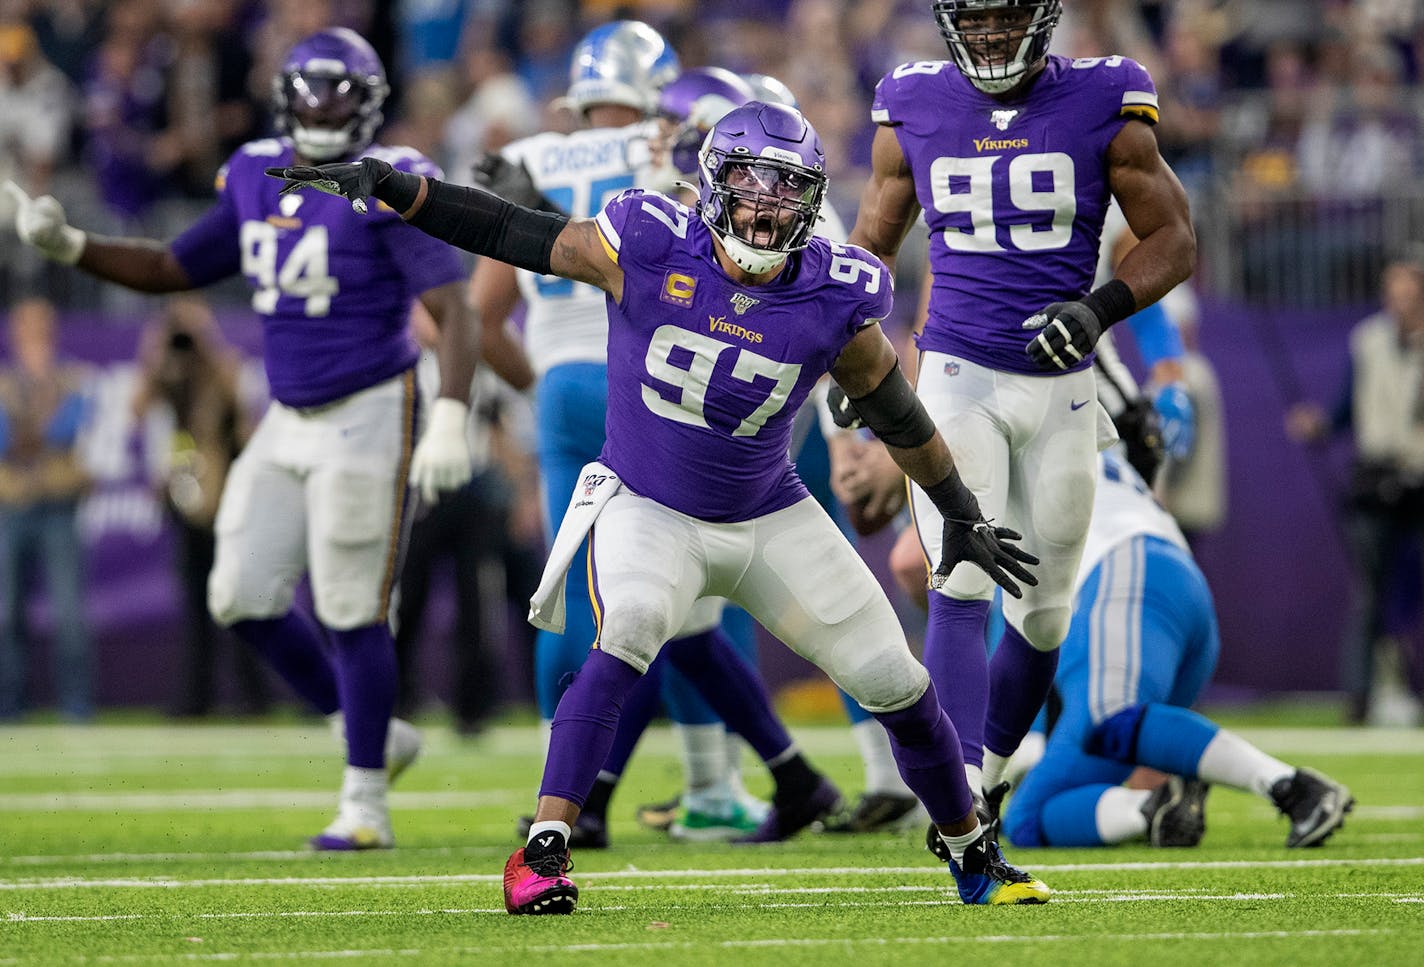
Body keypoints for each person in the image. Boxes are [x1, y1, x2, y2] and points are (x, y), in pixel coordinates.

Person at [268, 100, 1048, 912]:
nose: (766, 210)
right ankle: (542, 850)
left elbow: (894, 408)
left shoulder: (833, 290)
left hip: (769, 512)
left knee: (896, 679)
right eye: (751, 190)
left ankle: (972, 852)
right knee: (629, 627)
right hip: (650, 503)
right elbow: (511, 231)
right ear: (712, 189)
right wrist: (398, 188)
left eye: (787, 195)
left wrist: (956, 505)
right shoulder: (646, 241)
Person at [4, 28, 476, 849]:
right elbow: (172, 268)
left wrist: (453, 412)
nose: (323, 108)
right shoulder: (255, 168)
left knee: (350, 605)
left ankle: (365, 801)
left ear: (368, 104)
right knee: (239, 593)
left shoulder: (389, 182)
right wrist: (70, 245)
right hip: (289, 414)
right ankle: (364, 726)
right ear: (284, 95)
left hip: (371, 405)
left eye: (339, 94)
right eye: (311, 91)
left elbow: (456, 311)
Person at [846, 0, 1196, 805]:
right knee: (959, 580)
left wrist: (1100, 307)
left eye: (1007, 19)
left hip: (1064, 391)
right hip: (957, 375)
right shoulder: (913, 102)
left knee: (1044, 617)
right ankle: (958, 797)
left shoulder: (1106, 97)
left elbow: (1175, 238)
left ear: (1042, 19)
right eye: (975, 20)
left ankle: (988, 781)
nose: (991, 36)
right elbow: (868, 250)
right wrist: (846, 358)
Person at [472, 27, 805, 844]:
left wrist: (541, 389)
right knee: (695, 600)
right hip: (671, 383)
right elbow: (729, 254)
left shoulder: (538, 154)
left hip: (563, 386)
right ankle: (715, 782)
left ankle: (576, 793)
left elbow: (487, 312)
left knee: (576, 601)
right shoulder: (677, 143)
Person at [1000, 447, 1354, 849]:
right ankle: (1153, 810)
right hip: (1168, 585)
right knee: (1028, 820)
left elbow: (1008, 659)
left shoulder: (1004, 436)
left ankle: (1292, 788)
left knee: (1107, 719)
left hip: (1124, 580)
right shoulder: (1070, 420)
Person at [1287, 254, 1424, 724]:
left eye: (1407, 289)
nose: (1398, 299)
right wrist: (1320, 424)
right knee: (1370, 594)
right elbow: (1348, 405)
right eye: (1392, 289)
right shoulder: (1368, 341)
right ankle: (1359, 701)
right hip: (1376, 478)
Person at [130, 297, 270, 717]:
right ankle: (197, 698)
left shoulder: (226, 368)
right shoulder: (168, 374)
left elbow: (247, 421)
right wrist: (153, 354)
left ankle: (252, 697)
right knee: (196, 602)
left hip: (227, 499)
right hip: (187, 500)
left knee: (238, 599)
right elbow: (136, 411)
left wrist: (208, 344)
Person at [0, 296, 93, 722]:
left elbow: (65, 430)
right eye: (28, 330)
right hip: (13, 504)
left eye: (42, 330)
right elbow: (4, 442)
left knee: (69, 612)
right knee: (7, 611)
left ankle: (77, 706)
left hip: (58, 505)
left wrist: (32, 415)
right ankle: (9, 704)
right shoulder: (5, 383)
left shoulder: (70, 380)